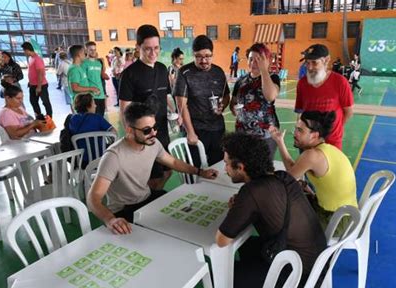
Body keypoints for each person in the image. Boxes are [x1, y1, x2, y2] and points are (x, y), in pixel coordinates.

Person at [216, 132, 327, 288]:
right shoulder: (282, 177)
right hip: (318, 264)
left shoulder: (252, 191)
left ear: (241, 167)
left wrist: (241, 207)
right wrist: (244, 206)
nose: (225, 169)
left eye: (227, 164)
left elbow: (222, 240)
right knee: (247, 246)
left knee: (231, 275)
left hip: (301, 279)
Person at [87, 98, 218, 233]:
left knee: (186, 216)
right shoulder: (113, 157)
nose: (153, 133)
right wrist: (110, 219)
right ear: (129, 130)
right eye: (146, 130)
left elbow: (172, 162)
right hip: (124, 209)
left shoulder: (153, 143)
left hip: (147, 198)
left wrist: (200, 172)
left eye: (155, 127)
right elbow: (93, 198)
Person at [269, 110, 358, 234]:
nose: (294, 133)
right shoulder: (327, 149)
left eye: (300, 131)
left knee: (279, 216)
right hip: (347, 215)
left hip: (336, 220)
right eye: (296, 129)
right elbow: (293, 172)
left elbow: (289, 177)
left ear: (314, 136)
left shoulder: (312, 155)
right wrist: (280, 141)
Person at [119, 24, 175, 191]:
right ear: (138, 47)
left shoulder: (162, 68)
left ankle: (153, 195)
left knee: (168, 170)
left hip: (162, 130)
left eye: (156, 48)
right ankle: (150, 199)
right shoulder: (129, 74)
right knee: (152, 176)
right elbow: (124, 108)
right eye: (147, 49)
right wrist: (131, 135)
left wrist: (174, 113)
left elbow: (165, 96)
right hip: (143, 133)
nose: (153, 53)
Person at [174, 35, 230, 166]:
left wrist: (223, 105)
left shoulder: (218, 72)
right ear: (193, 54)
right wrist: (190, 132)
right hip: (196, 129)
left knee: (218, 167)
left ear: (212, 55)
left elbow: (226, 95)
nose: (204, 60)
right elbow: (181, 105)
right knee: (194, 168)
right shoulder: (184, 72)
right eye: (199, 56)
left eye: (208, 56)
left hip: (217, 130)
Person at [294, 44, 353, 150]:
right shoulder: (302, 84)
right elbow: (301, 112)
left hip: (331, 142)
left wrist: (333, 129)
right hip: (308, 142)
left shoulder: (340, 82)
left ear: (326, 60)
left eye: (314, 62)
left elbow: (348, 112)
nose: (310, 67)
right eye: (307, 63)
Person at [229, 43, 280, 159]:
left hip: (265, 135)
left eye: (258, 60)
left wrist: (264, 70)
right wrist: (234, 109)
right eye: (251, 59)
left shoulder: (272, 78)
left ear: (265, 61)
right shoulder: (241, 81)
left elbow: (270, 96)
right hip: (242, 134)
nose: (253, 63)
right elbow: (233, 103)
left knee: (263, 170)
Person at [69, 93, 116, 168]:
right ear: (88, 106)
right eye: (94, 103)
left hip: (83, 161)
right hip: (102, 159)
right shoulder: (97, 118)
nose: (96, 105)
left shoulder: (72, 119)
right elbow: (114, 133)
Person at [21, 41, 53, 119]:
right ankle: (39, 117)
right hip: (33, 84)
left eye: (24, 50)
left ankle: (49, 118)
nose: (23, 52)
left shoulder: (37, 59)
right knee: (33, 102)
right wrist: (30, 82)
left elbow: (40, 74)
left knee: (45, 102)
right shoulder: (30, 58)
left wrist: (39, 87)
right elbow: (33, 72)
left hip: (41, 85)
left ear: (27, 50)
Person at [83, 41, 107, 117]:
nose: (93, 52)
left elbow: (101, 77)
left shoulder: (98, 63)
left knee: (101, 117)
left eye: (94, 49)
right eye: (91, 50)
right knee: (93, 119)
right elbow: (83, 80)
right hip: (91, 95)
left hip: (101, 95)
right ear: (86, 50)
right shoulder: (84, 63)